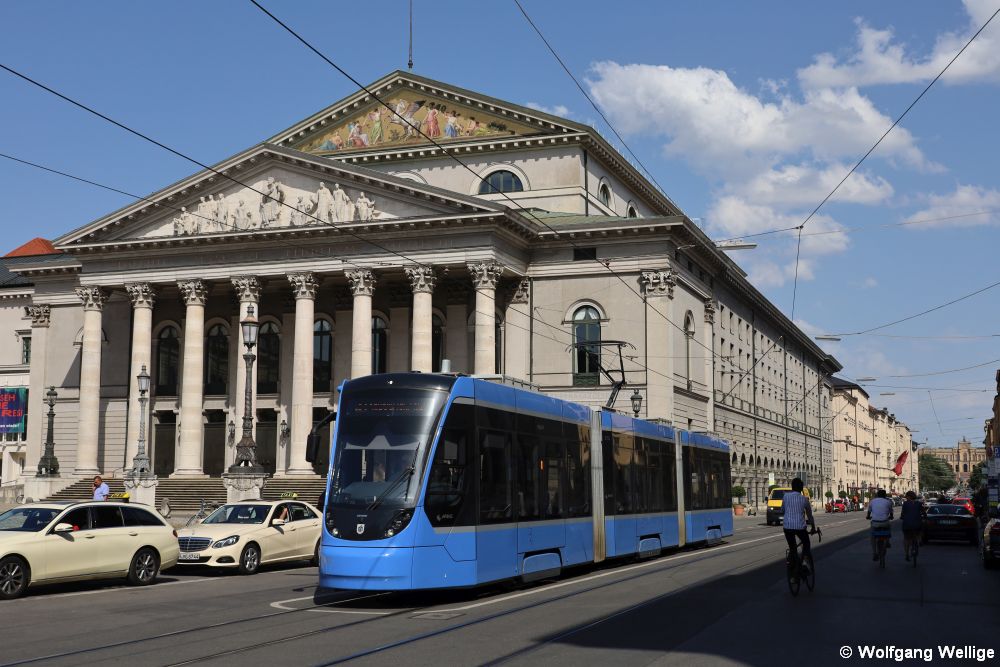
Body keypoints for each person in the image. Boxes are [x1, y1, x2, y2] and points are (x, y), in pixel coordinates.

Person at [782, 477, 815, 582]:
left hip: (787, 527)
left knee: (792, 548)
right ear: (801, 489)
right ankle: (804, 562)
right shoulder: (804, 499)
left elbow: (783, 510)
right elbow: (809, 515)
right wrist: (813, 527)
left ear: (792, 487)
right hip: (800, 527)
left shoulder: (785, 496)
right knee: (806, 543)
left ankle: (793, 574)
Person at [866, 488, 894, 560]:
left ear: (877, 495)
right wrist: (891, 516)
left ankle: (874, 553)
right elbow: (891, 512)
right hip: (885, 522)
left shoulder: (872, 501)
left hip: (875, 523)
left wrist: (868, 516)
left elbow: (869, 511)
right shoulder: (888, 502)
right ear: (885, 495)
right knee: (889, 526)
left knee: (873, 537)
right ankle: (887, 541)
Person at [900, 491, 923, 560]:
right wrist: (924, 516)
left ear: (909, 497)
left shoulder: (905, 503)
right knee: (920, 530)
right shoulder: (919, 503)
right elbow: (923, 512)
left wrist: (902, 517)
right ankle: (919, 540)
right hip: (917, 524)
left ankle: (906, 554)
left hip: (907, 525)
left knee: (906, 538)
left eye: (906, 496)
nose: (906, 498)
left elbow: (902, 514)